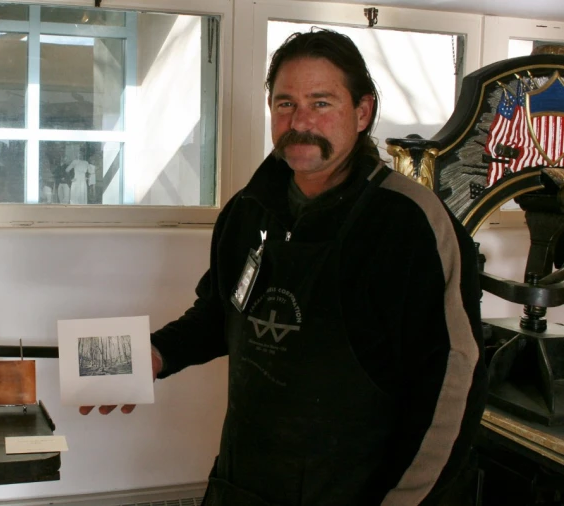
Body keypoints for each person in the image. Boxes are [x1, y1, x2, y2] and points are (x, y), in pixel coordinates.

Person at [81, 28, 487, 505]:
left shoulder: (410, 224)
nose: (300, 122)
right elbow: (219, 314)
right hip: (242, 483)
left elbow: (454, 380)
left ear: (362, 112)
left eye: (321, 103)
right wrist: (154, 354)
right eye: (285, 103)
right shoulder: (248, 209)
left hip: (355, 491)